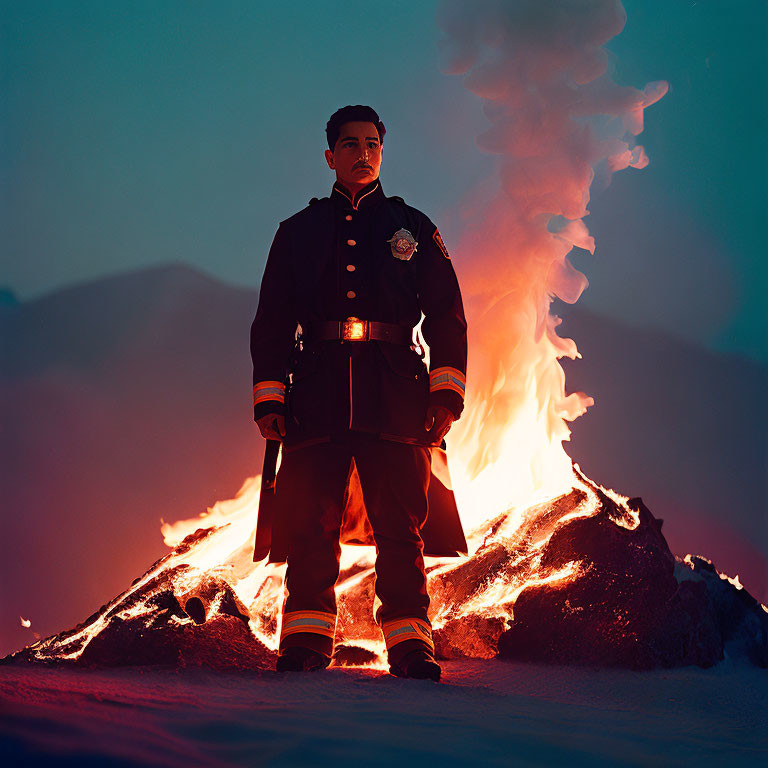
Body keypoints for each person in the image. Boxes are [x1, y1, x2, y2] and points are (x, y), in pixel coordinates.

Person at [249, 105, 468, 681]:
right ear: (330, 156)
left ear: (382, 151)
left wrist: (446, 394)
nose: (363, 153)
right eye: (350, 145)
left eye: (372, 143)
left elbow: (447, 316)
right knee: (311, 522)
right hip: (317, 394)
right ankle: (305, 640)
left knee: (401, 526)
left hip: (395, 395)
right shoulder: (298, 231)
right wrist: (270, 397)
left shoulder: (412, 227)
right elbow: (271, 320)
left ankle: (410, 642)